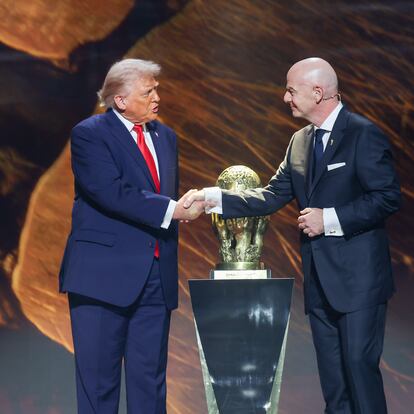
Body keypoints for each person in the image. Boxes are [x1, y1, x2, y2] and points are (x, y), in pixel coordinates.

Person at [184, 57, 401, 414]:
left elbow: (387, 197)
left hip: (360, 282)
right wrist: (213, 197)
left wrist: (329, 219)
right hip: (320, 283)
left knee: (359, 372)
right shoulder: (299, 141)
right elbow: (271, 196)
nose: (285, 98)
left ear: (317, 92)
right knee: (334, 385)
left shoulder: (363, 134)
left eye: (290, 90)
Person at [59, 58, 205, 414]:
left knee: (149, 385)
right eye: (148, 92)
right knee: (99, 386)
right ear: (120, 100)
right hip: (102, 277)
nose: (157, 98)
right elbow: (110, 192)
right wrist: (174, 210)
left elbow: (160, 196)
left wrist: (184, 205)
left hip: (155, 277)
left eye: (157, 89)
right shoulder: (90, 134)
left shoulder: (165, 137)